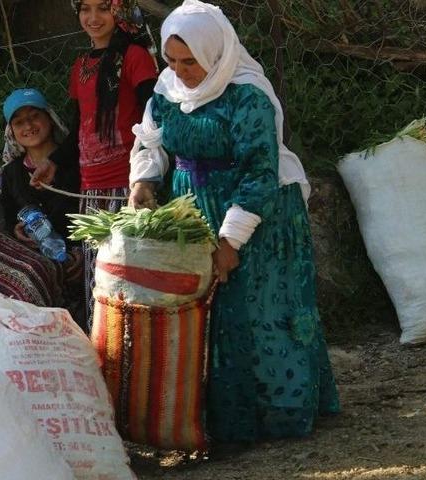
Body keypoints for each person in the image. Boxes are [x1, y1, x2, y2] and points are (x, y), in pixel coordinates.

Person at [128, 0, 340, 444]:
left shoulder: (247, 96)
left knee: (260, 313)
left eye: (191, 61)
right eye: (171, 60)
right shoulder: (167, 90)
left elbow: (259, 173)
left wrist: (230, 242)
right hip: (197, 209)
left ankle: (281, 417)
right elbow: (150, 142)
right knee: (213, 317)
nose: (181, 70)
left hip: (260, 215)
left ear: (215, 54)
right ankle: (228, 423)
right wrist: (145, 181)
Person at [0, 88, 84, 332]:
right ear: (12, 132)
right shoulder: (11, 174)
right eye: (19, 122)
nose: (28, 126)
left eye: (34, 117)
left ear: (50, 119)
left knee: (36, 272)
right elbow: (9, 223)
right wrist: (17, 230)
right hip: (28, 259)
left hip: (67, 263)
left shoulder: (76, 163)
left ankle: (32, 331)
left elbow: (93, 214)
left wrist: (82, 253)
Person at [64, 0, 159, 327]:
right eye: (85, 9)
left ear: (120, 11)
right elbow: (78, 124)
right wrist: (51, 163)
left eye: (103, 8)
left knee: (129, 280)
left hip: (131, 186)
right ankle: (105, 361)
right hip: (91, 191)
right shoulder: (79, 66)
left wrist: (148, 176)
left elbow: (154, 117)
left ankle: (136, 364)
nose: (93, 18)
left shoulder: (135, 58)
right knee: (98, 281)